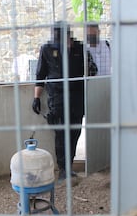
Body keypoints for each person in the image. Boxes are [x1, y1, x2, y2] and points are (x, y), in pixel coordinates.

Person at [32, 22, 97, 182]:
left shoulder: (79, 48)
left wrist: (87, 71)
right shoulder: (47, 49)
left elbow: (93, 69)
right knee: (61, 134)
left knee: (75, 133)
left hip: (77, 97)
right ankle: (63, 170)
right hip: (58, 98)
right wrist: (36, 98)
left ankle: (70, 166)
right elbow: (40, 75)